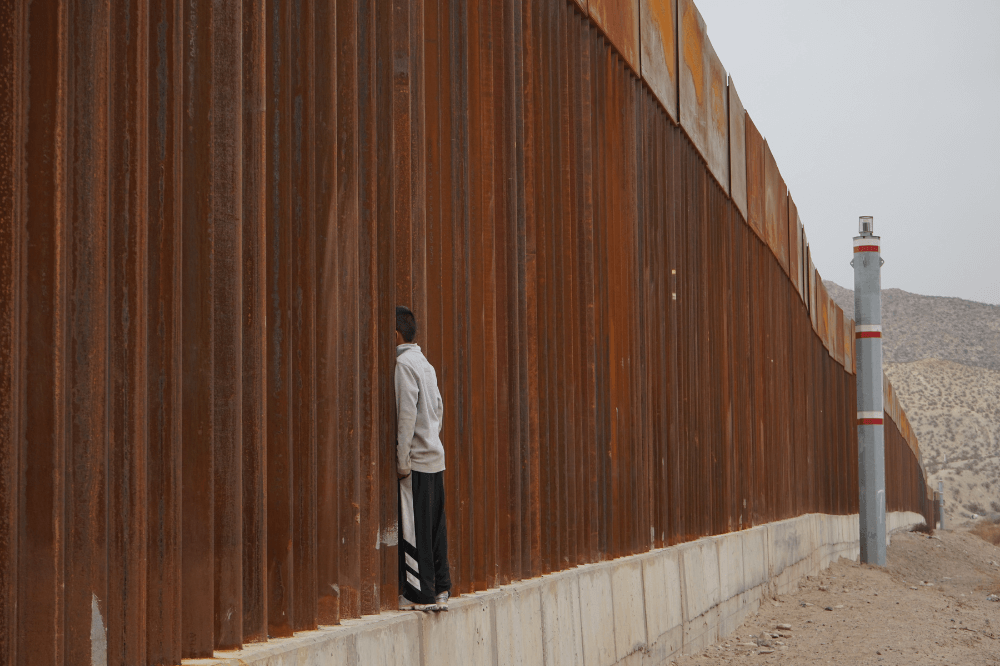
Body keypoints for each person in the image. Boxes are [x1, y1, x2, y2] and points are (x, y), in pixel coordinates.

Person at [394, 305, 451, 611]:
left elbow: (406, 415)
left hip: (416, 460)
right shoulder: (425, 363)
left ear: (395, 333)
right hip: (435, 456)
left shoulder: (403, 364)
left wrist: (403, 461)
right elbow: (438, 409)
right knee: (435, 527)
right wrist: (431, 438)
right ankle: (441, 589)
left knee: (415, 528)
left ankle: (420, 595)